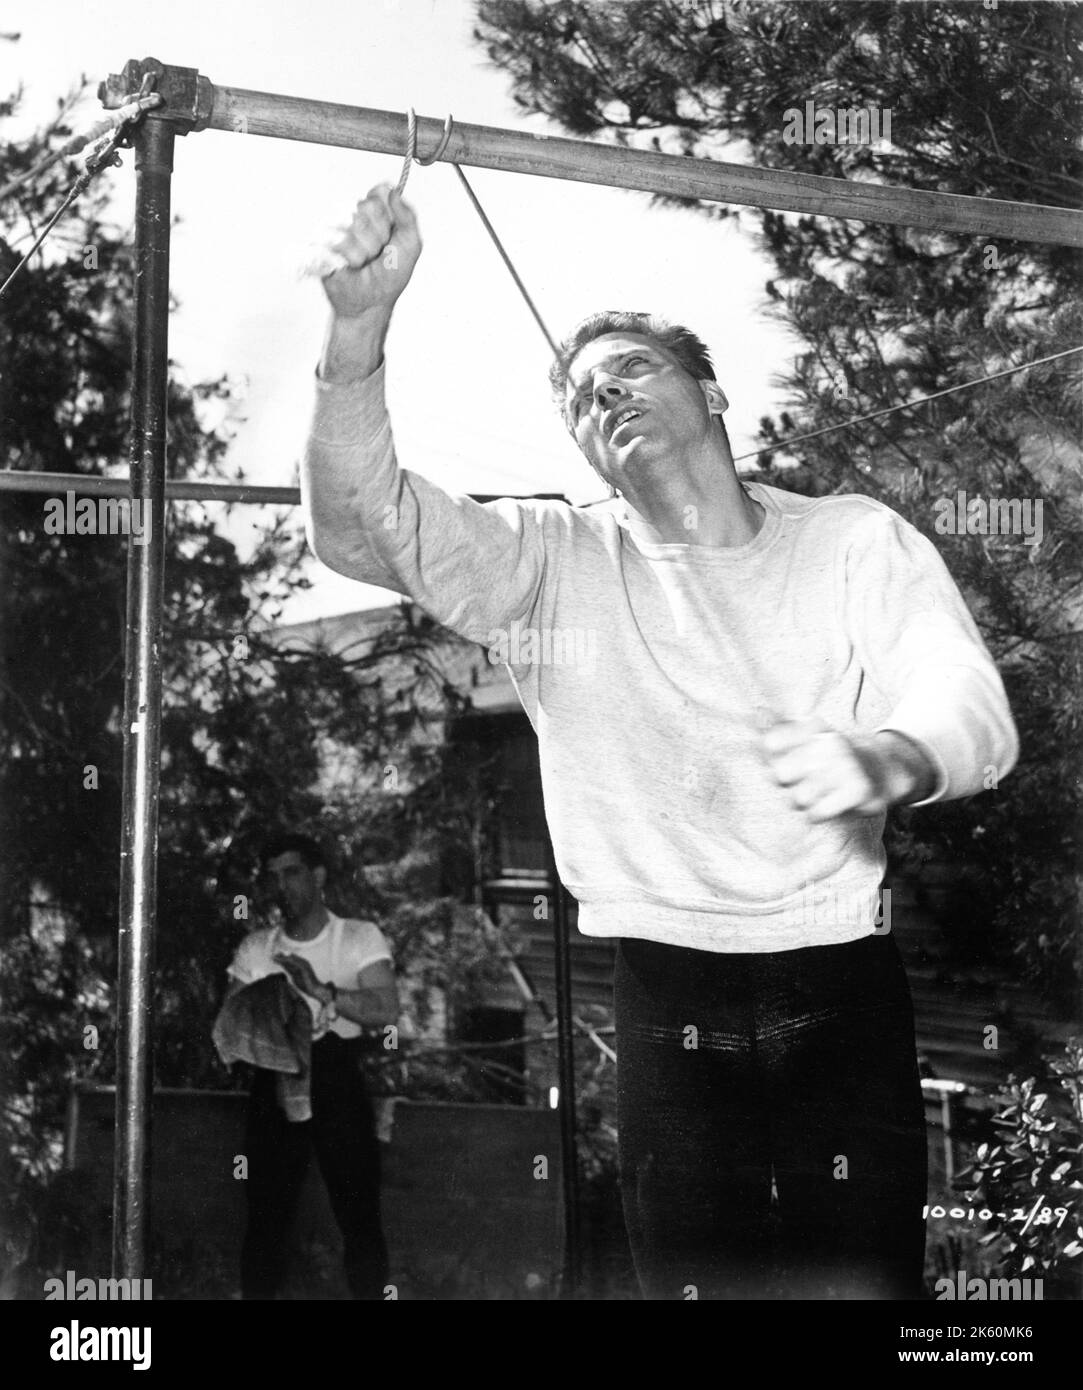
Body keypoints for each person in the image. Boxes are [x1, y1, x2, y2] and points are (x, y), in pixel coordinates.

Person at [298, 185, 1018, 1300]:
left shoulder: (851, 542)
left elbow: (966, 698)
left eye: (632, 369)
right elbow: (359, 525)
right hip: (663, 992)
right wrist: (356, 336)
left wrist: (896, 755)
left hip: (839, 981)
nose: (605, 396)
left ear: (713, 390)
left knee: (867, 1294)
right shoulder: (547, 562)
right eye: (583, 399)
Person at [223, 832, 397, 1300]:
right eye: (273, 877)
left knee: (359, 1215)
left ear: (318, 876)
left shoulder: (358, 936)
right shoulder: (257, 948)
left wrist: (323, 992)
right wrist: (272, 1013)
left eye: (292, 872)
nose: (282, 886)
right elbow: (229, 1033)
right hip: (274, 1081)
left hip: (337, 1078)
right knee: (265, 1219)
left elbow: (386, 1009)